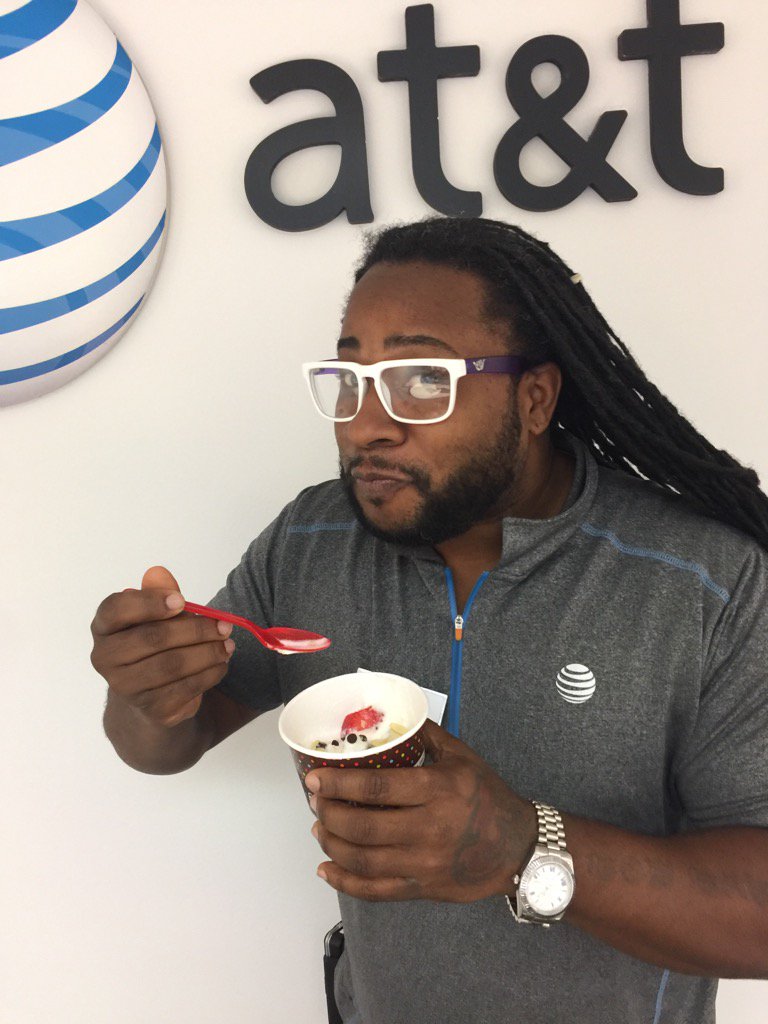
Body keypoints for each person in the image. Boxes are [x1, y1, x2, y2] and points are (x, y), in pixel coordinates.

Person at [91, 217, 768, 1024]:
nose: (365, 423)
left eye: (420, 379)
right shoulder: (311, 542)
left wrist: (522, 846)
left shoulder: (703, 581)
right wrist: (146, 694)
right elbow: (170, 741)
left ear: (534, 397)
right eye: (351, 380)